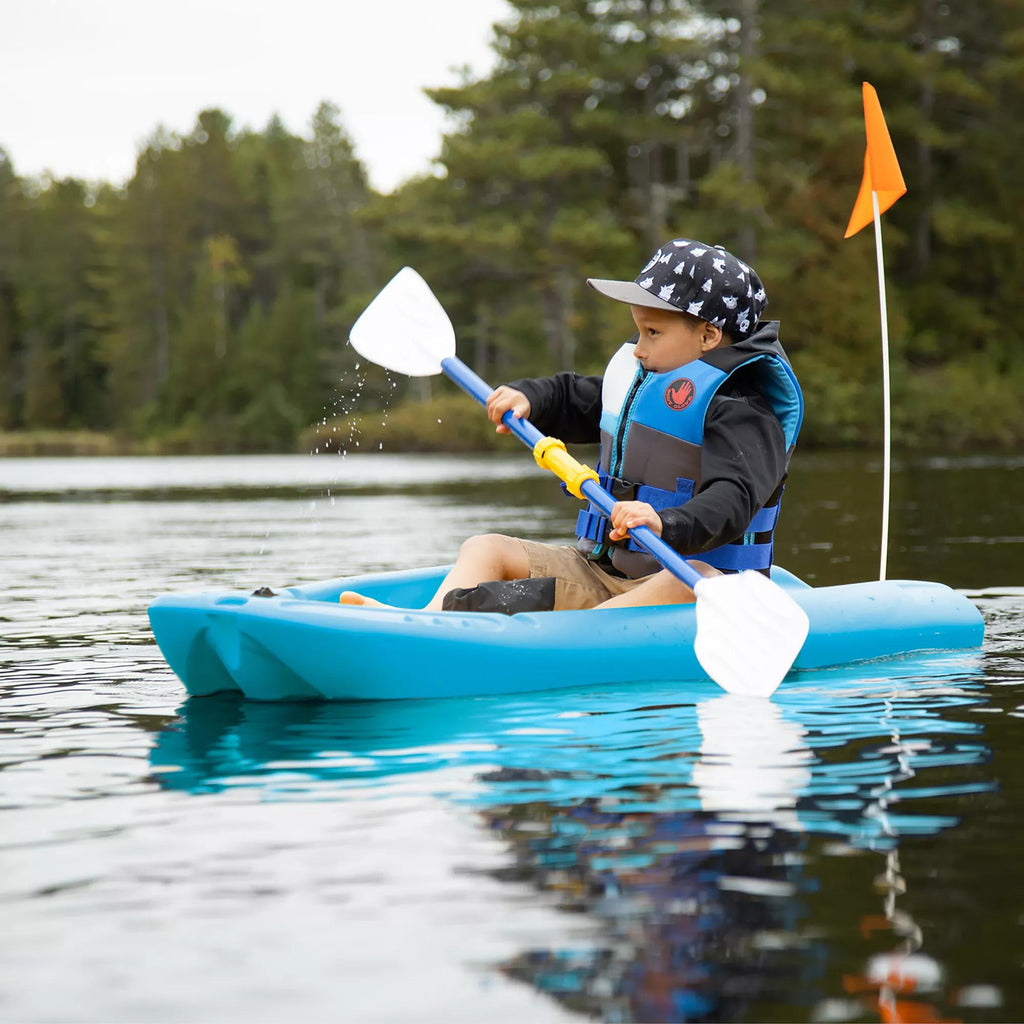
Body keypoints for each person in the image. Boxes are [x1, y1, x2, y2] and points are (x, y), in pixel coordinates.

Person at [342, 238, 803, 613]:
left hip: (687, 585)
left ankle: (572, 633)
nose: (639, 348)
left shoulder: (745, 409)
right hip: (605, 573)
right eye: (639, 331)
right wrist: (529, 398)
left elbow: (734, 500)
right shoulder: (644, 381)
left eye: (653, 333)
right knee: (486, 547)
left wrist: (665, 521)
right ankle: (430, 622)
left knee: (702, 578)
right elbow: (572, 396)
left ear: (708, 335)